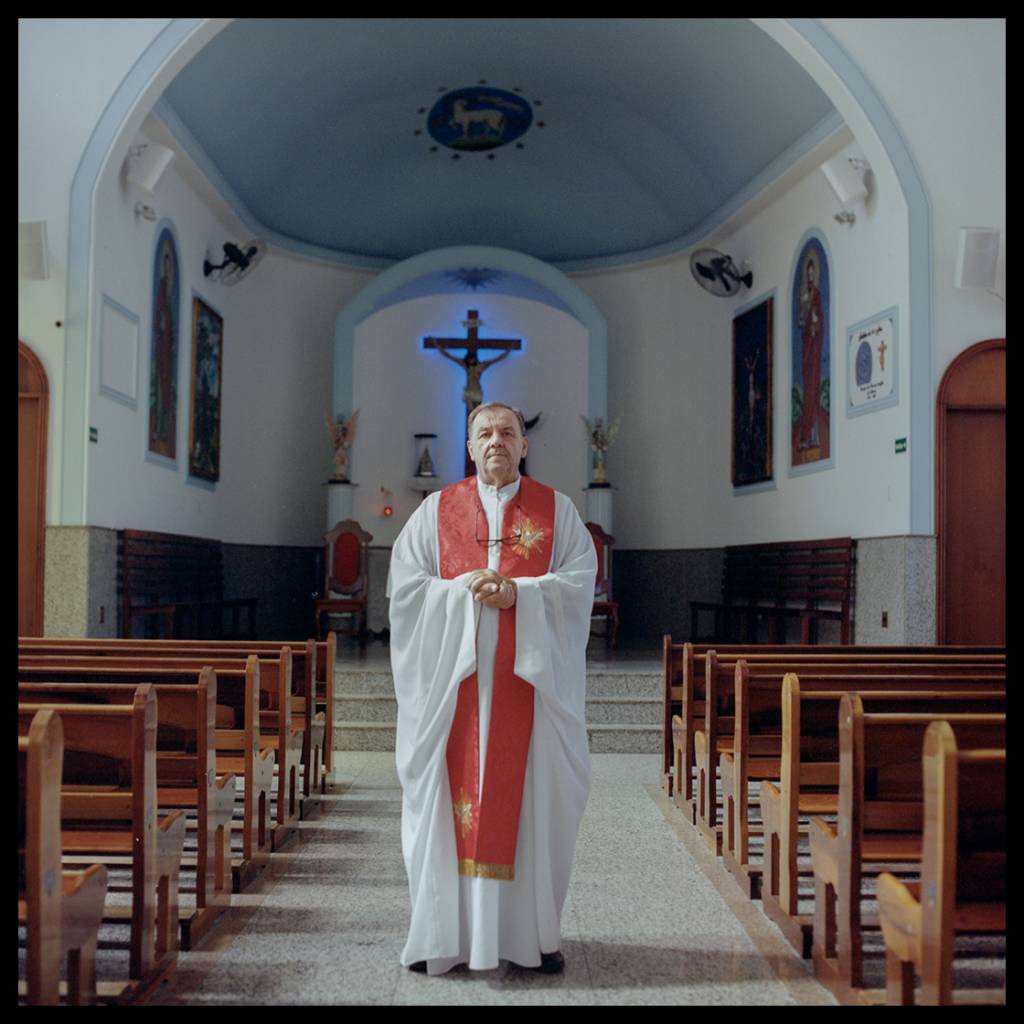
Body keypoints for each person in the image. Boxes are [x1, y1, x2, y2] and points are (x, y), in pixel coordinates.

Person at [387, 402, 597, 976]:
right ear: (470, 446)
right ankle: (443, 937)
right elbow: (405, 592)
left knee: (538, 805)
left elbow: (581, 584)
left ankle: (532, 936)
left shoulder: (560, 512)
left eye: (508, 432)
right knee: (448, 808)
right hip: (454, 694)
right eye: (485, 433)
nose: (496, 441)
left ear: (525, 445)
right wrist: (460, 595)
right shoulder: (435, 513)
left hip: (529, 689)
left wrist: (521, 598)